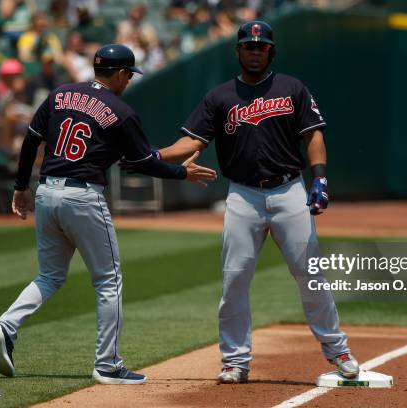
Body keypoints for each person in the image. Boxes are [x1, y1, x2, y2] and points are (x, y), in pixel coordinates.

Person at [0, 44, 217, 385]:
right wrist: (184, 174)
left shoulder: (59, 94)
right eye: (128, 75)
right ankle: (107, 364)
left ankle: (5, 326)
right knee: (109, 280)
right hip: (83, 196)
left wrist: (21, 188)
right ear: (121, 74)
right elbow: (140, 164)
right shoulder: (121, 110)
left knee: (49, 276)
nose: (128, 80)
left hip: (46, 192)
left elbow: (31, 141)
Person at [145, 21, 360, 384]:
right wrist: (154, 155)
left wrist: (320, 178)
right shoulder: (219, 97)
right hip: (242, 195)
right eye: (249, 46)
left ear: (271, 51)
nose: (255, 51)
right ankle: (235, 361)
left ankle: (337, 349)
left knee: (310, 274)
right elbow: (191, 144)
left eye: (261, 47)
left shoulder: (292, 88)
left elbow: (313, 135)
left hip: (288, 189)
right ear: (238, 51)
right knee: (235, 280)